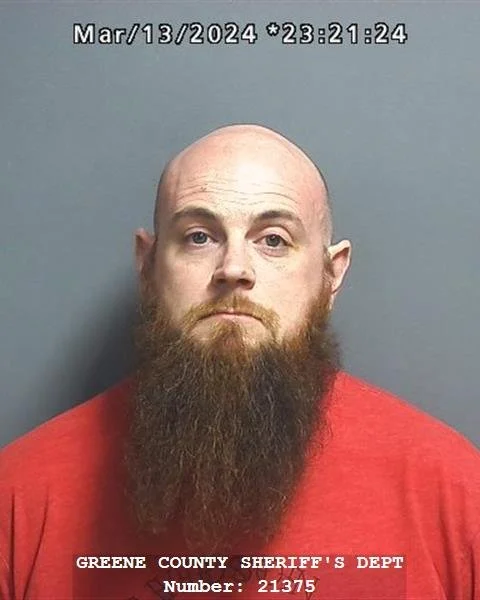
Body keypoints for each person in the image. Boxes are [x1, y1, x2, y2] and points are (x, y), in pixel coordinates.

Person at [0, 124, 478, 600]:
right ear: (147, 266)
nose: (233, 269)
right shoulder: (19, 495)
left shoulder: (456, 494)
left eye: (273, 240)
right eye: (199, 237)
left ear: (330, 274)